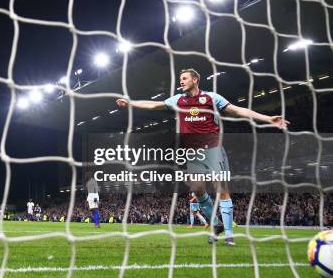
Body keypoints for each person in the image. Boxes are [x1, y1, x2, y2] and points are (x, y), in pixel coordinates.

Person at [116, 68, 288, 245]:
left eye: (184, 78)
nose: (181, 81)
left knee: (220, 188)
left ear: (195, 80)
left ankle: (229, 234)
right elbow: (154, 104)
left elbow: (237, 110)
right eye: (180, 79)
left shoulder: (212, 98)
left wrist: (267, 119)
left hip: (213, 150)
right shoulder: (178, 100)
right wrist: (130, 103)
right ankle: (215, 225)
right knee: (197, 189)